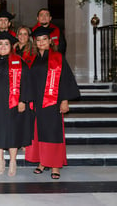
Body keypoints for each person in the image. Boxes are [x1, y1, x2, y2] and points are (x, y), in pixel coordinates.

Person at [25, 26, 80, 180]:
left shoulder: (58, 57)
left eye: (44, 39)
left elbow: (65, 80)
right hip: (37, 102)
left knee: (53, 132)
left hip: (53, 101)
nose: (41, 42)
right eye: (38, 40)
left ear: (50, 41)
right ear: (35, 42)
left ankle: (55, 164)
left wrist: (64, 100)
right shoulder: (33, 59)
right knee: (39, 132)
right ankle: (42, 162)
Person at [0, 31, 33, 176]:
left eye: (6, 44)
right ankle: (0, 160)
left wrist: (23, 100)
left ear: (11, 46)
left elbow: (26, 82)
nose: (3, 46)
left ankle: (13, 161)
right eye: (0, 44)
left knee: (12, 132)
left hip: (12, 104)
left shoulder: (19, 62)